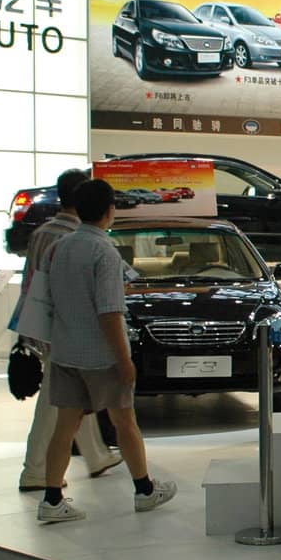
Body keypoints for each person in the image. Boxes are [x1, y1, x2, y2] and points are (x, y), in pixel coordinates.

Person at [36, 179, 175, 523]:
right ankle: (144, 490)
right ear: (110, 210)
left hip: (66, 351)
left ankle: (52, 498)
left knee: (64, 427)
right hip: (102, 355)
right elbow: (110, 312)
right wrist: (124, 360)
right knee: (125, 421)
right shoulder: (105, 253)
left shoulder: (60, 247)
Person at [15, 169, 126, 494]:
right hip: (68, 330)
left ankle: (96, 455)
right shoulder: (81, 239)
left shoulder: (43, 232)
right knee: (55, 403)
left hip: (44, 324)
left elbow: (29, 284)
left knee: (75, 397)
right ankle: (34, 471)